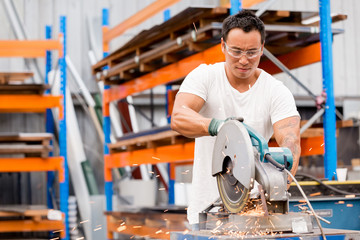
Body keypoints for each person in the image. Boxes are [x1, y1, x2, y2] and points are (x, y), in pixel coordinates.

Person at [170, 10, 300, 229]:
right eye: (236, 51)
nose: (243, 60)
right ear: (223, 46)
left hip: (257, 216)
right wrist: (218, 126)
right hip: (206, 214)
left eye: (252, 52)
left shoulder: (276, 91)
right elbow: (178, 117)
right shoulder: (205, 77)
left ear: (262, 48)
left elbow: (291, 142)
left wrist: (276, 185)